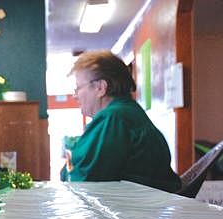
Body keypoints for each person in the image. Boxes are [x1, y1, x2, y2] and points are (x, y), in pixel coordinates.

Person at [61, 50, 181, 192]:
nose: (75, 96)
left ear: (100, 87)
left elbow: (84, 182)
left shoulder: (114, 117)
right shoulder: (127, 111)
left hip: (136, 210)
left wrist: (69, 155)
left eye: (78, 88)